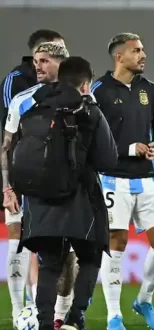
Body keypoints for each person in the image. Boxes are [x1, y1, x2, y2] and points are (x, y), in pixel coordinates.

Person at [7, 56, 117, 330]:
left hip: (39, 199)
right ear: (86, 84)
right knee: (91, 257)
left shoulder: (33, 105)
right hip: (80, 198)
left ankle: (44, 324)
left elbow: (13, 149)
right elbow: (108, 160)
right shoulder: (88, 110)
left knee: (50, 264)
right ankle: (75, 318)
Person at [93, 32, 154, 330]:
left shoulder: (150, 89)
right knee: (116, 243)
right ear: (119, 56)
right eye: (136, 50)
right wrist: (127, 149)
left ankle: (144, 300)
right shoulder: (99, 90)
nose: (142, 55)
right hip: (113, 178)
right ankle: (114, 314)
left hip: (148, 177)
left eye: (142, 50)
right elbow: (93, 136)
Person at [1, 41, 78, 328]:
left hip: (66, 187)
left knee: (67, 256)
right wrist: (7, 188)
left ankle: (61, 315)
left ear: (61, 63)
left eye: (44, 61)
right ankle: (24, 313)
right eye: (36, 61)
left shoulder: (79, 98)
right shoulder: (23, 99)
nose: (37, 66)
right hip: (26, 185)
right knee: (24, 244)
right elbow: (6, 146)